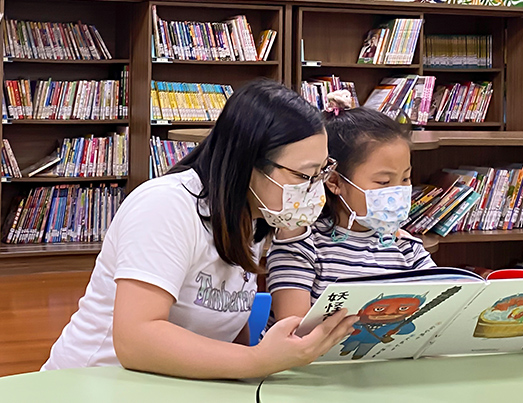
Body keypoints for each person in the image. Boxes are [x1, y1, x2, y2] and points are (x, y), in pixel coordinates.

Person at [42, 80, 358, 379]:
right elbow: (136, 340)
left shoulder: (252, 215)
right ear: (248, 163)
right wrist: (258, 360)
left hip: (172, 385)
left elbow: (225, 321)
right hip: (94, 382)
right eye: (304, 176)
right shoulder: (165, 206)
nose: (314, 190)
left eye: (320, 172)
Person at [267, 90, 523, 346]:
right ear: (335, 181)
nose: (398, 191)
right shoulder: (301, 244)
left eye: (406, 179)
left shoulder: (406, 248)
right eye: (383, 182)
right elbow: (292, 335)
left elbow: (449, 313)